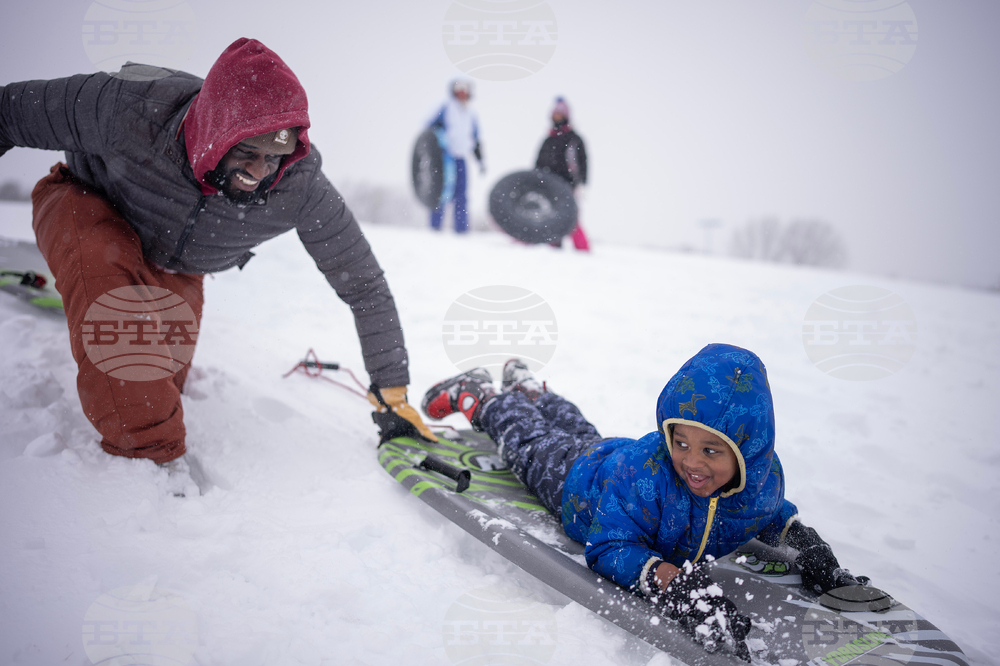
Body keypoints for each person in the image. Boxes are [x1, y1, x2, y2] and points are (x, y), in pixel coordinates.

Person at [0, 38, 436, 477]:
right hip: (88, 204)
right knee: (135, 383)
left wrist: (392, 392)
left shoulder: (299, 185)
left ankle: (107, 291)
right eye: (247, 152)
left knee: (165, 379)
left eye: (274, 157)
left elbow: (363, 284)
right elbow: (7, 113)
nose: (259, 172)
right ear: (213, 128)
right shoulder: (128, 104)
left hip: (173, 263)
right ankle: (148, 466)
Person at [421, 344, 868, 659]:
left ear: (748, 453)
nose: (692, 462)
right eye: (680, 441)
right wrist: (672, 583)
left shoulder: (761, 482)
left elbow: (771, 514)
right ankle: (482, 396)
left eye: (711, 451)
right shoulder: (649, 476)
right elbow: (608, 547)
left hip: (610, 453)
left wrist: (805, 545)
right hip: (578, 484)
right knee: (532, 441)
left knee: (581, 431)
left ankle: (535, 392)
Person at [427, 79, 484, 233]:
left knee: (461, 196)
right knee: (441, 192)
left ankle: (461, 230)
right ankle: (434, 227)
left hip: (461, 158)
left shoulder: (471, 114)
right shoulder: (445, 108)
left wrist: (480, 160)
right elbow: (429, 129)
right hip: (445, 158)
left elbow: (475, 139)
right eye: (459, 90)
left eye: (465, 90)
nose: (462, 93)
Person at [535, 97, 589, 251]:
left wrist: (582, 183)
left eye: (560, 114)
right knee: (551, 216)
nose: (557, 117)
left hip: (568, 185)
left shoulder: (574, 139)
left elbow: (583, 162)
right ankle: (554, 247)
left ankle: (583, 250)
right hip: (548, 185)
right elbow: (539, 162)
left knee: (571, 219)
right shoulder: (548, 140)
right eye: (555, 114)